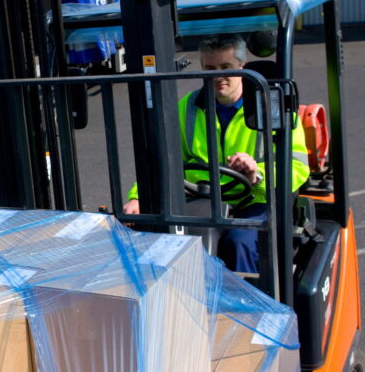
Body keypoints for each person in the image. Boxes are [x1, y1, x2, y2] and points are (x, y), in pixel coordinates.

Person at [123, 34, 310, 273]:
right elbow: (163, 160)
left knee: (238, 243)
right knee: (167, 241)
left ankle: (248, 307)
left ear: (243, 66)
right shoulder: (187, 108)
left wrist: (257, 174)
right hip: (203, 199)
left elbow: (297, 167)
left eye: (226, 67)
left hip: (256, 199)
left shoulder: (274, 110)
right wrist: (139, 197)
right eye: (210, 68)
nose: (218, 76)